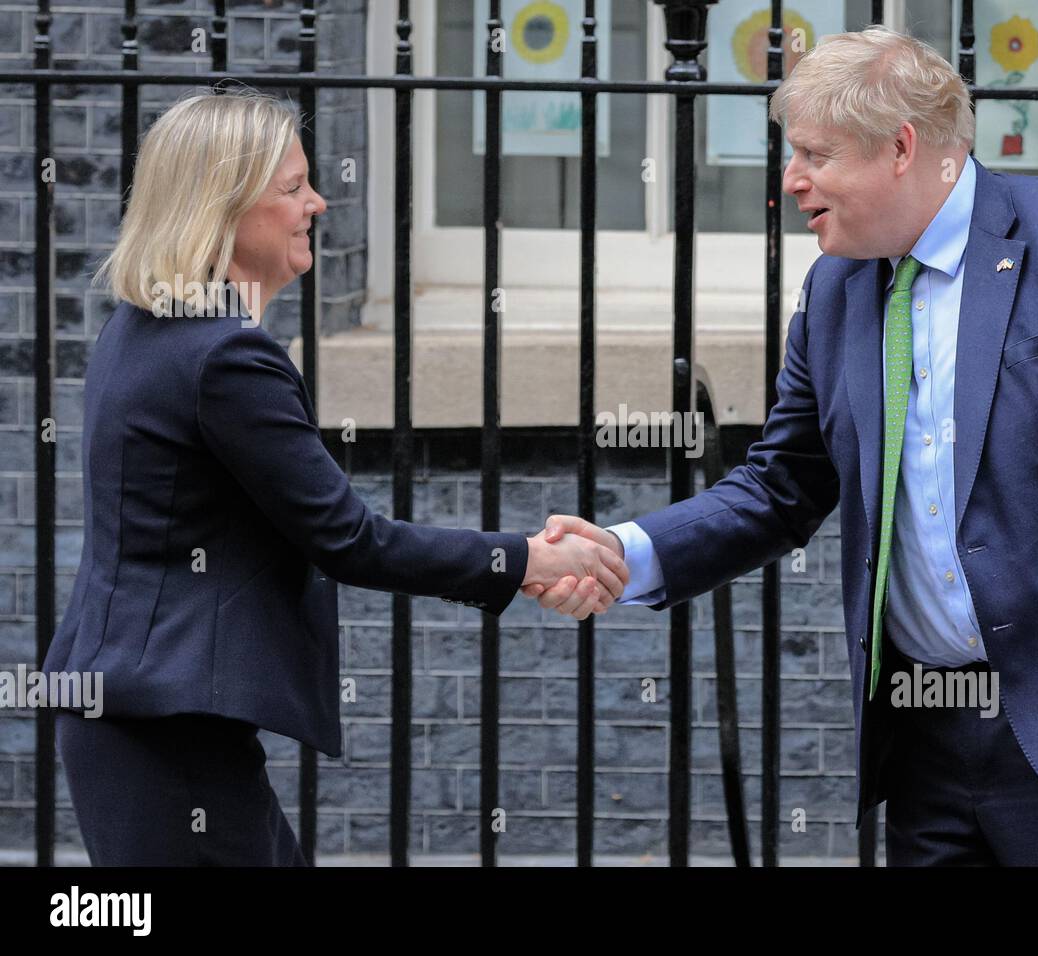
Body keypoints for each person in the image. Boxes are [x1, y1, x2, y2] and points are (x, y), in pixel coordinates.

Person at [525, 26, 1038, 865]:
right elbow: (781, 485)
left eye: (815, 154)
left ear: (900, 147)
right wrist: (622, 554)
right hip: (923, 735)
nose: (792, 181)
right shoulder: (837, 286)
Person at [40, 90, 627, 866]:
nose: (316, 202)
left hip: (143, 710)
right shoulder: (224, 356)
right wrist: (527, 558)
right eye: (291, 188)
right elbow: (349, 538)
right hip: (160, 724)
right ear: (222, 204)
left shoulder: (146, 330)